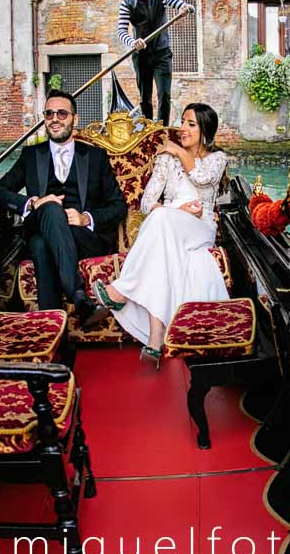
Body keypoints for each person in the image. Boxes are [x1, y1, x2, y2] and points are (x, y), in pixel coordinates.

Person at [90, 102, 230, 365]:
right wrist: (178, 208)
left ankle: (121, 292)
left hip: (201, 227)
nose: (182, 128)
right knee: (161, 224)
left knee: (162, 217)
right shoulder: (166, 160)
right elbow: (147, 202)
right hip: (170, 224)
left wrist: (177, 150)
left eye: (191, 124)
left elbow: (201, 178)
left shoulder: (217, 159)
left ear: (205, 130)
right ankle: (155, 342)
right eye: (183, 122)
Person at [0, 90, 126, 321]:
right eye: (49, 113)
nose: (55, 119)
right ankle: (77, 293)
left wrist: (86, 218)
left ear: (75, 119)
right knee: (50, 209)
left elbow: (118, 205)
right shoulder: (31, 155)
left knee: (42, 246)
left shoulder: (95, 156)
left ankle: (50, 327)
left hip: (84, 237)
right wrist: (33, 202)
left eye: (62, 113)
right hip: (41, 226)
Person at [116, 0, 193, 125]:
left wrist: (184, 7)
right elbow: (121, 31)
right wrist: (132, 42)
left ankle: (162, 131)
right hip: (141, 56)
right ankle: (149, 131)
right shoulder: (127, 3)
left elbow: (176, 2)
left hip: (162, 54)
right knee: (145, 98)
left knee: (164, 94)